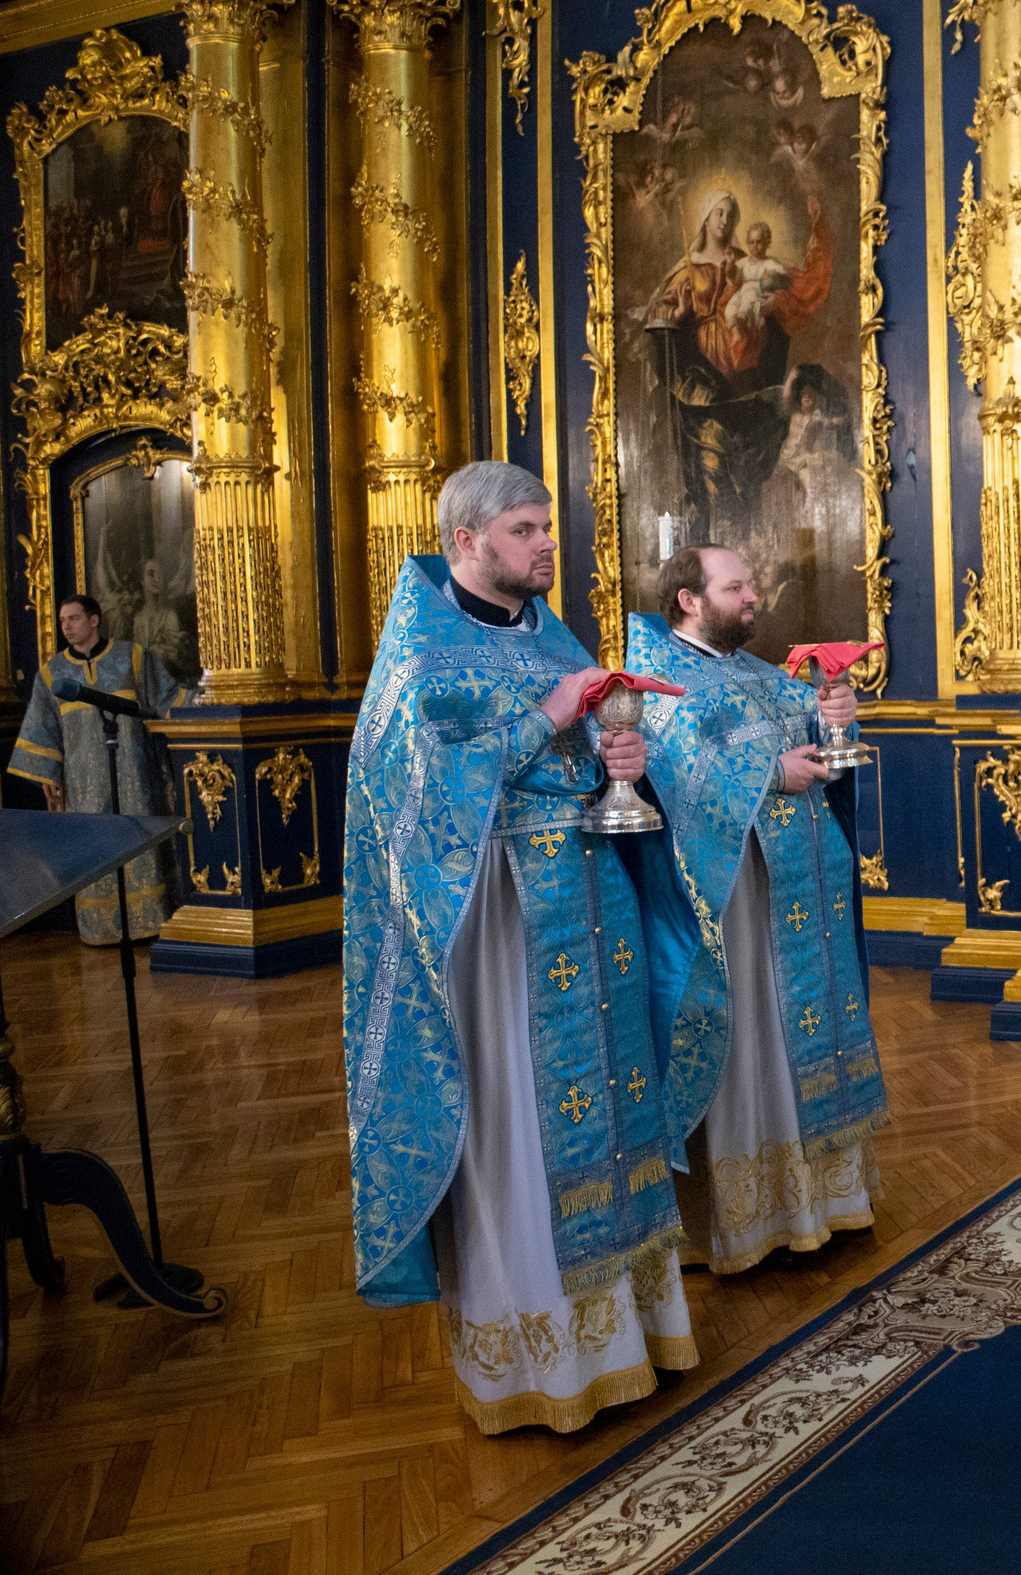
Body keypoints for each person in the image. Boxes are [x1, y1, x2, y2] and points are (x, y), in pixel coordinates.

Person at [342, 461, 696, 1435]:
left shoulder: (550, 631)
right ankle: (532, 1360)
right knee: (519, 1133)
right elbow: (402, 794)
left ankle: (625, 1340)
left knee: (606, 1115)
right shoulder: (419, 650)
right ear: (466, 542)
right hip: (492, 927)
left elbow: (588, 747)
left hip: (589, 911)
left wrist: (622, 759)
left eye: (547, 526)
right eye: (524, 530)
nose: (547, 543)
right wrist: (549, 718)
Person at [625, 544, 887, 1275]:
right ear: (688, 597)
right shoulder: (655, 679)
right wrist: (771, 771)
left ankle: (822, 1200)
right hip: (729, 898)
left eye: (751, 583)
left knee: (795, 1032)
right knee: (747, 1043)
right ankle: (746, 1219)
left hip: (799, 892)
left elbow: (819, 745)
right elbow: (673, 765)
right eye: (735, 585)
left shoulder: (754, 671)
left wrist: (835, 720)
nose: (753, 596)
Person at [7, 593, 185, 943]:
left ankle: (147, 924)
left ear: (93, 620)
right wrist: (49, 775)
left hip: (135, 775)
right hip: (83, 783)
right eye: (62, 621)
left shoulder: (131, 657)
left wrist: (212, 705)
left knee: (139, 838)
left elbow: (166, 698)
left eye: (73, 619)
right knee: (94, 846)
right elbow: (42, 727)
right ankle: (103, 929)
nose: (67, 627)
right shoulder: (52, 673)